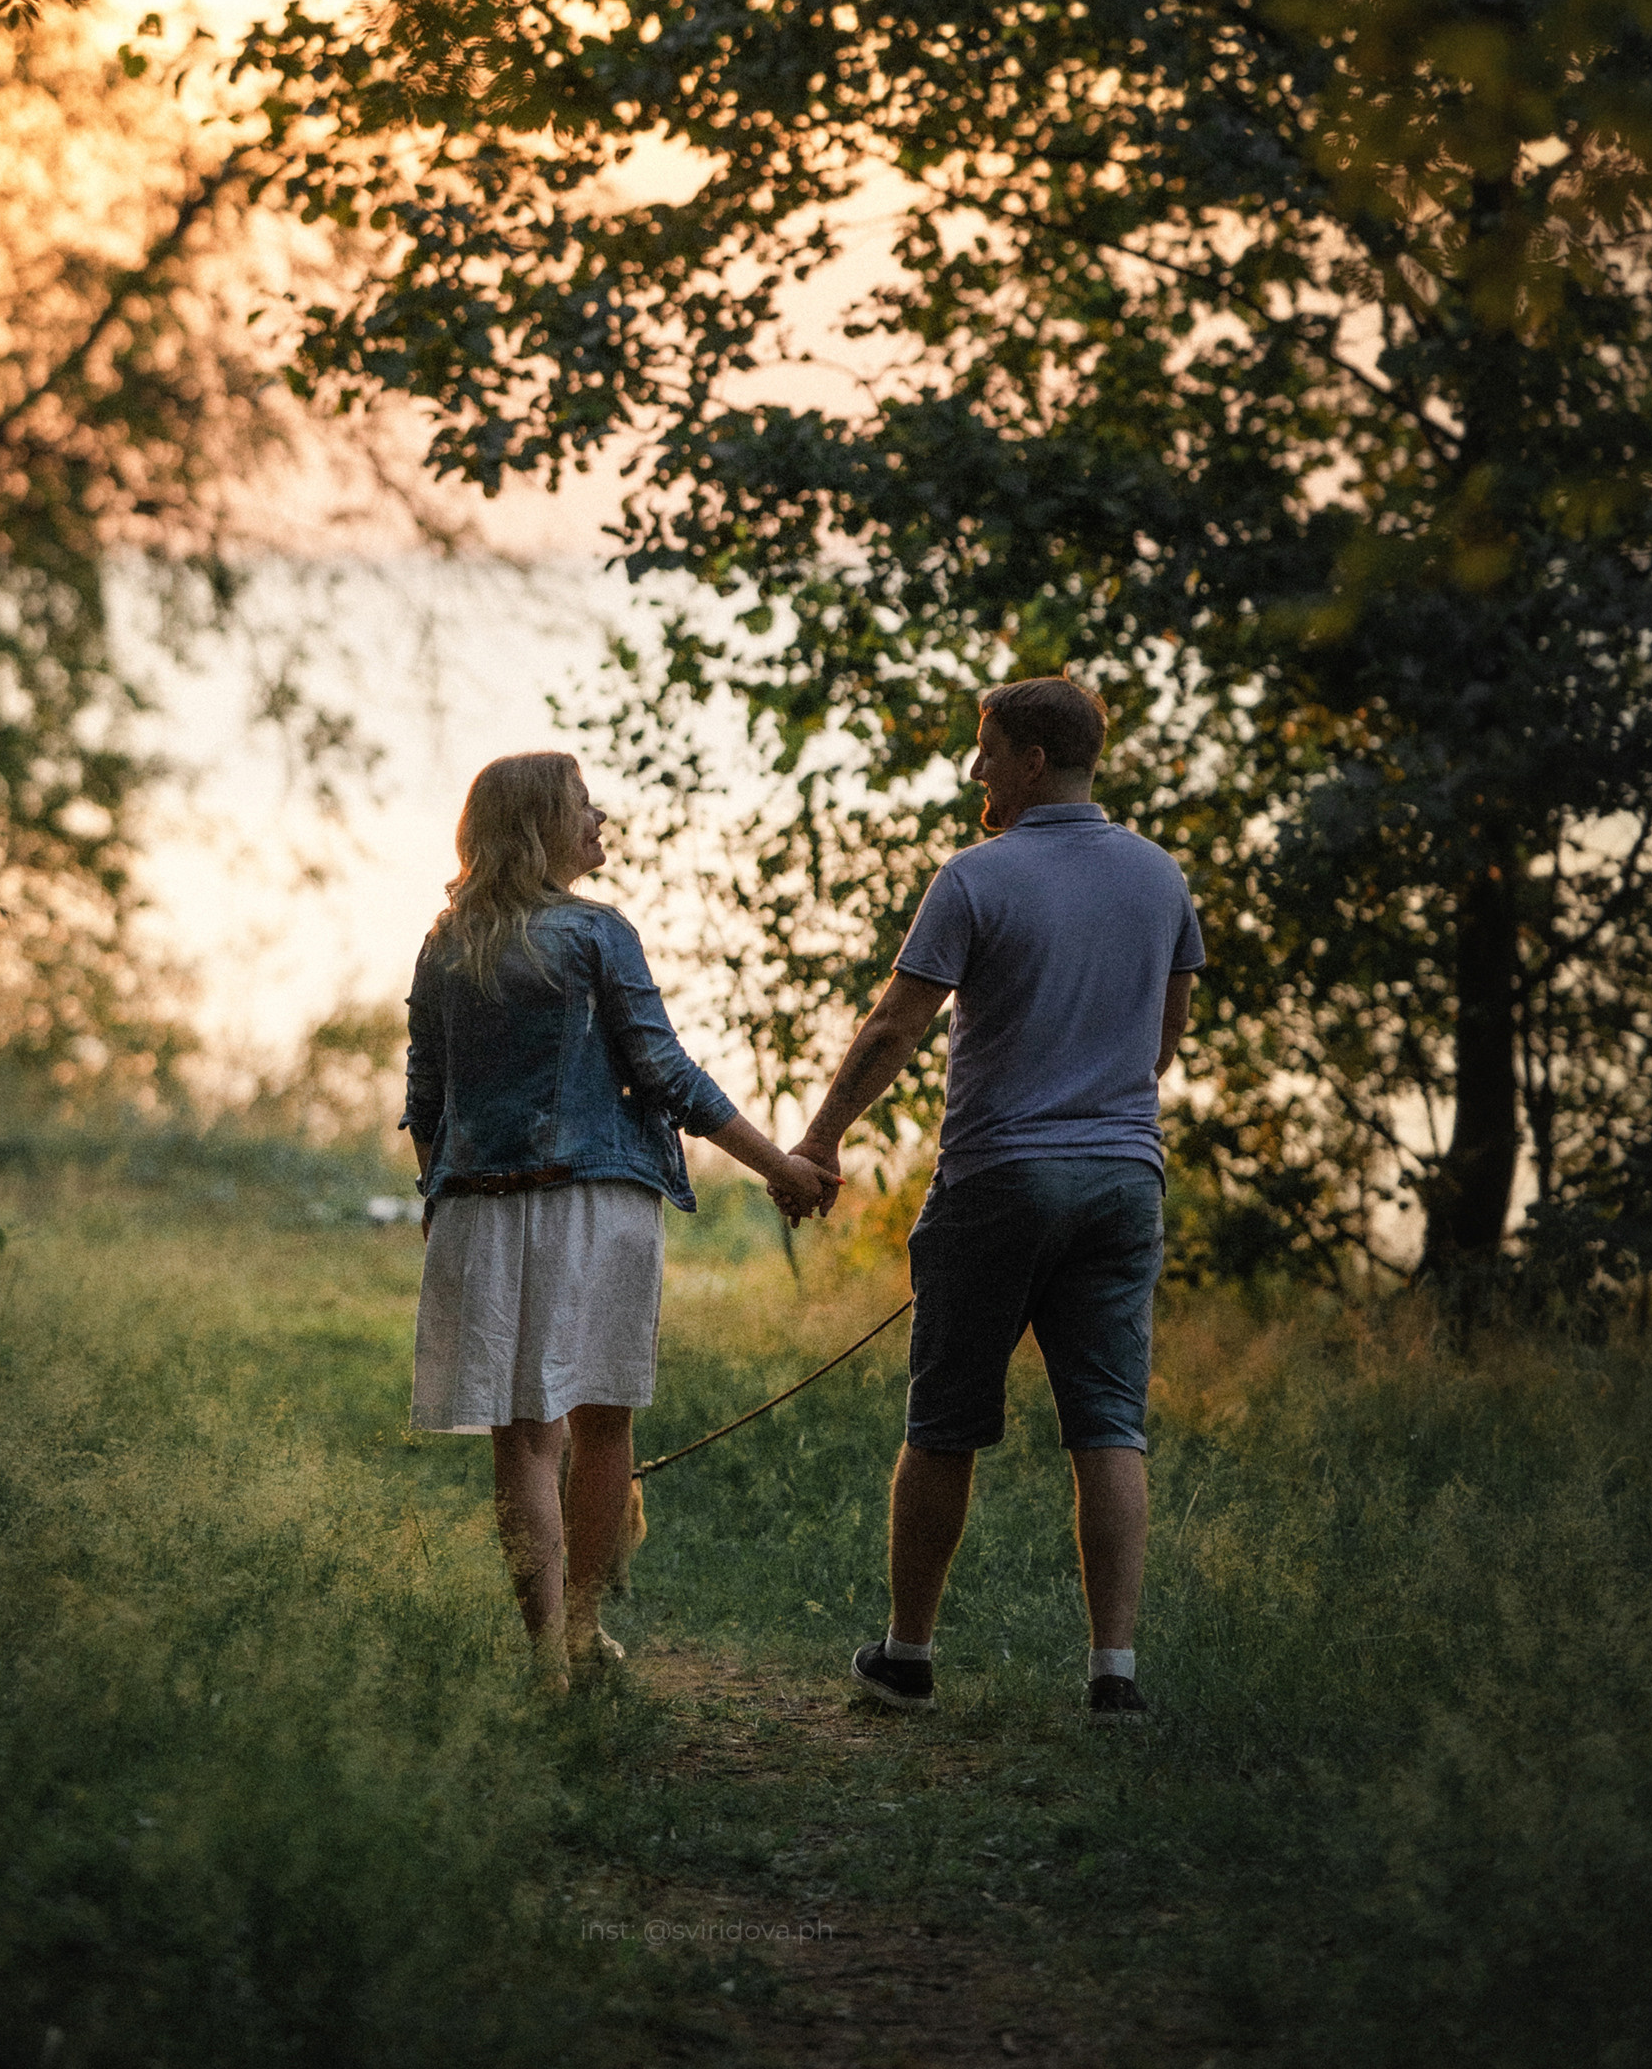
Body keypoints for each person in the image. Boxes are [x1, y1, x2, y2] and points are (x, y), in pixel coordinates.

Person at [787, 675, 1203, 1721]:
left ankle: (906, 1660)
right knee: (1108, 1425)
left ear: (1030, 760)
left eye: (986, 748)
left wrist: (819, 1140)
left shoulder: (975, 878)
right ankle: (1115, 1677)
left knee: (943, 1421)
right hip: (1121, 1179)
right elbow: (1163, 1037)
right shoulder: (1160, 879)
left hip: (998, 1180)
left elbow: (892, 1029)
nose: (974, 769)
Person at [403, 749, 835, 1691]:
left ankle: (546, 1656)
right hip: (592, 1203)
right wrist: (784, 1169)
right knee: (601, 1422)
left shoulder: (447, 940)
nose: (602, 823)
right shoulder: (598, 935)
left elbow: (425, 1096)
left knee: (522, 1438)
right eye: (584, 807)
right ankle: (586, 1635)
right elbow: (668, 1076)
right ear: (540, 828)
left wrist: (444, 1196)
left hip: (478, 1207)